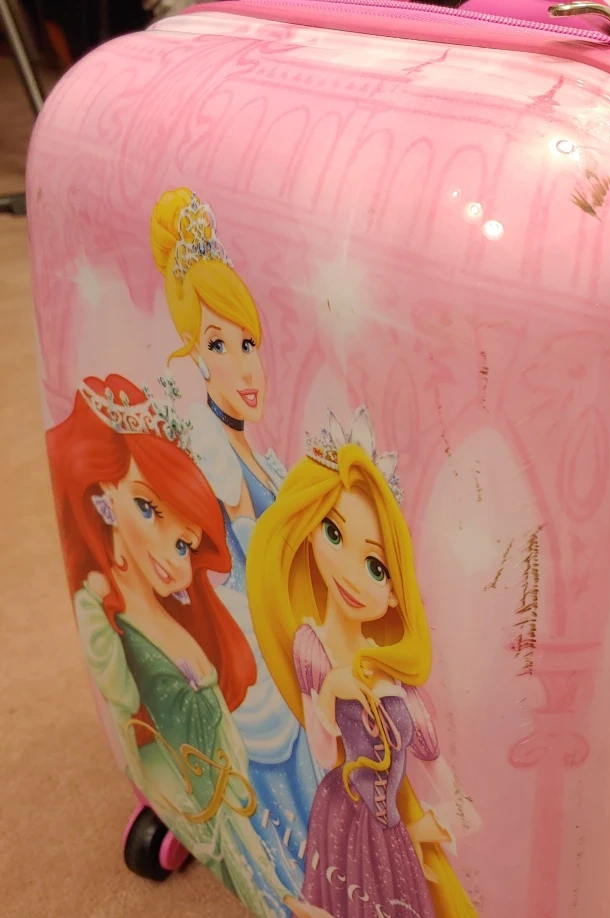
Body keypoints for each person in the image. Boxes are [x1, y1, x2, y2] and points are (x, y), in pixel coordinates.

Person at [47, 374, 302, 918]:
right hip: (210, 813)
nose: (171, 554)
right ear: (107, 494)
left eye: (185, 544)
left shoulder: (184, 616)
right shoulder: (106, 609)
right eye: (148, 508)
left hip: (235, 812)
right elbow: (124, 702)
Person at [151, 187, 320, 891]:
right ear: (195, 357)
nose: (244, 366)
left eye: (248, 343)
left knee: (313, 805)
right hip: (254, 674)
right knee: (288, 813)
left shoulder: (257, 454)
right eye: (219, 345)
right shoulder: (219, 458)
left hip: (284, 661)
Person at [248, 406, 480, 918]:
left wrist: (436, 824)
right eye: (334, 534)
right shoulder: (312, 645)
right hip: (339, 814)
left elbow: (448, 786)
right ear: (311, 529)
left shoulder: (395, 680)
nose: (353, 577)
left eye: (376, 567)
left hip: (391, 831)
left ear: (396, 593)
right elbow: (322, 750)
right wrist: (330, 689)